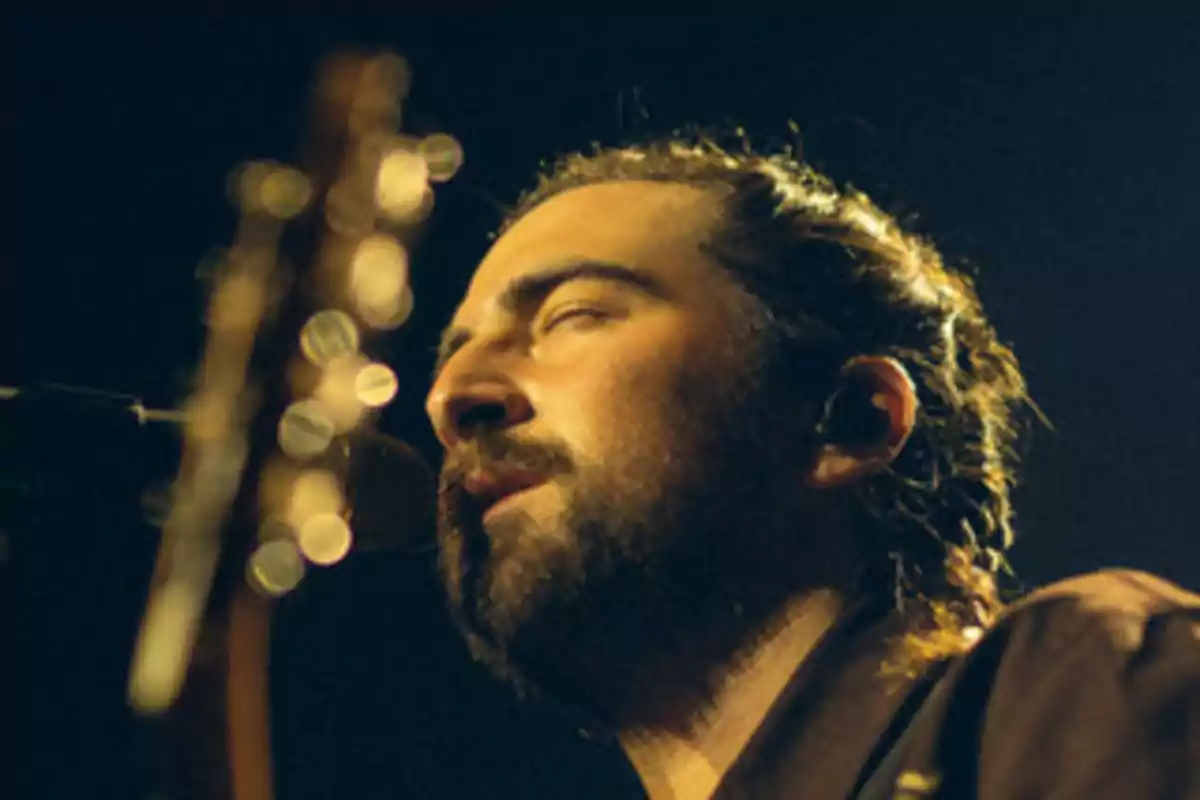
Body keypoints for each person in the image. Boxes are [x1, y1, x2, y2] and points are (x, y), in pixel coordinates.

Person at [422, 135, 1200, 799]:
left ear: (852, 420)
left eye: (575, 315)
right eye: (451, 356)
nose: (452, 399)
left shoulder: (1065, 695)